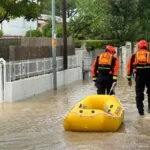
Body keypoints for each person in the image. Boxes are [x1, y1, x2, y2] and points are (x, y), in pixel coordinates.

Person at [127, 40, 150, 115]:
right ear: (146, 46)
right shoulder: (149, 54)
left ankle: (141, 111)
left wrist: (129, 79)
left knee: (139, 93)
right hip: (149, 75)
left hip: (139, 76)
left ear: (138, 46)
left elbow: (129, 67)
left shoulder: (134, 55)